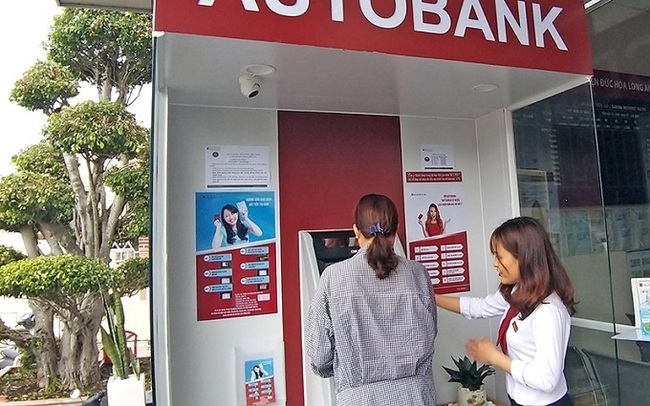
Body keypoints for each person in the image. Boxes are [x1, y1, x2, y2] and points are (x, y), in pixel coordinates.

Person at [305, 194, 437, 406]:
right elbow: (430, 334)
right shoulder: (418, 274)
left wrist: (345, 369)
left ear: (356, 230)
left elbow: (320, 358)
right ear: (396, 230)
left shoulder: (333, 277)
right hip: (417, 397)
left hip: (360, 399)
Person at [436, 217, 576, 406]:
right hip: (518, 400)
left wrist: (495, 357)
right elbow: (479, 307)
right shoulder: (518, 293)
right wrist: (432, 297)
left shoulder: (549, 312)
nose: (495, 263)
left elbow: (547, 379)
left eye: (500, 257)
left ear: (524, 257)